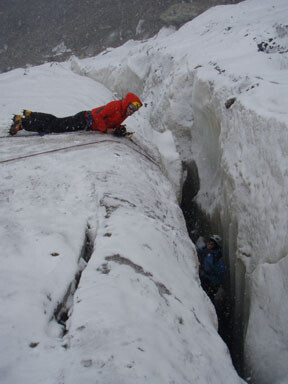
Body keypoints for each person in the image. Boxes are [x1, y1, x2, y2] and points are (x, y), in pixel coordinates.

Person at [9, 92, 142, 136]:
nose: (131, 111)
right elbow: (98, 116)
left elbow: (111, 122)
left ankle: (32, 115)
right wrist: (105, 130)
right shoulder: (115, 106)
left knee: (56, 121)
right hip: (84, 120)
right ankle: (24, 123)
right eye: (131, 107)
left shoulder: (123, 113)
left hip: (84, 120)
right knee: (54, 127)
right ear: (127, 103)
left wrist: (117, 129)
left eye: (134, 110)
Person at [197, 235, 227, 302]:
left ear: (216, 246)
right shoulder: (203, 250)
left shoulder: (216, 257)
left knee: (207, 298)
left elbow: (222, 273)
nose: (209, 244)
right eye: (209, 242)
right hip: (204, 278)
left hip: (210, 283)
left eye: (212, 244)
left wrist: (210, 275)